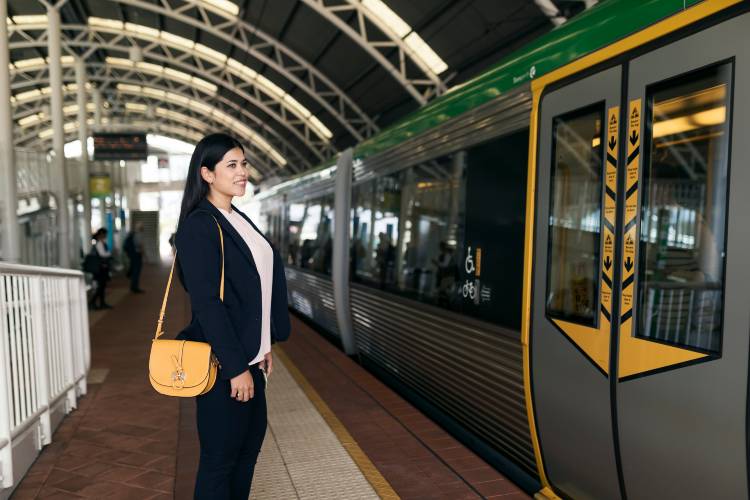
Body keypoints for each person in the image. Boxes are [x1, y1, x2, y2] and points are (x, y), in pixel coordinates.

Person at [174, 133, 291, 499]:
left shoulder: (236, 218)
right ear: (207, 174)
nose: (243, 172)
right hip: (225, 367)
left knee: (246, 455)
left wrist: (263, 343)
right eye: (232, 165)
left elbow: (252, 291)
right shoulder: (199, 226)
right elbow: (208, 304)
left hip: (251, 359)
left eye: (243, 163)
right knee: (220, 461)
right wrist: (236, 367)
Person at [87, 228, 112, 310]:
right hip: (100, 268)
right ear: (101, 234)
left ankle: (100, 303)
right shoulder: (99, 244)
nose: (106, 236)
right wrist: (109, 253)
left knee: (102, 286)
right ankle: (92, 303)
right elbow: (102, 254)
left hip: (101, 268)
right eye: (105, 234)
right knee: (100, 286)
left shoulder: (100, 243)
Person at [123, 221, 145, 293]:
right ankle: (134, 287)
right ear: (140, 227)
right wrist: (143, 253)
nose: (143, 227)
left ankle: (133, 286)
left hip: (132, 255)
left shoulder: (132, 233)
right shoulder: (138, 234)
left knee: (134, 270)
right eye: (142, 226)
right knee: (136, 271)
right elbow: (139, 245)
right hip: (136, 255)